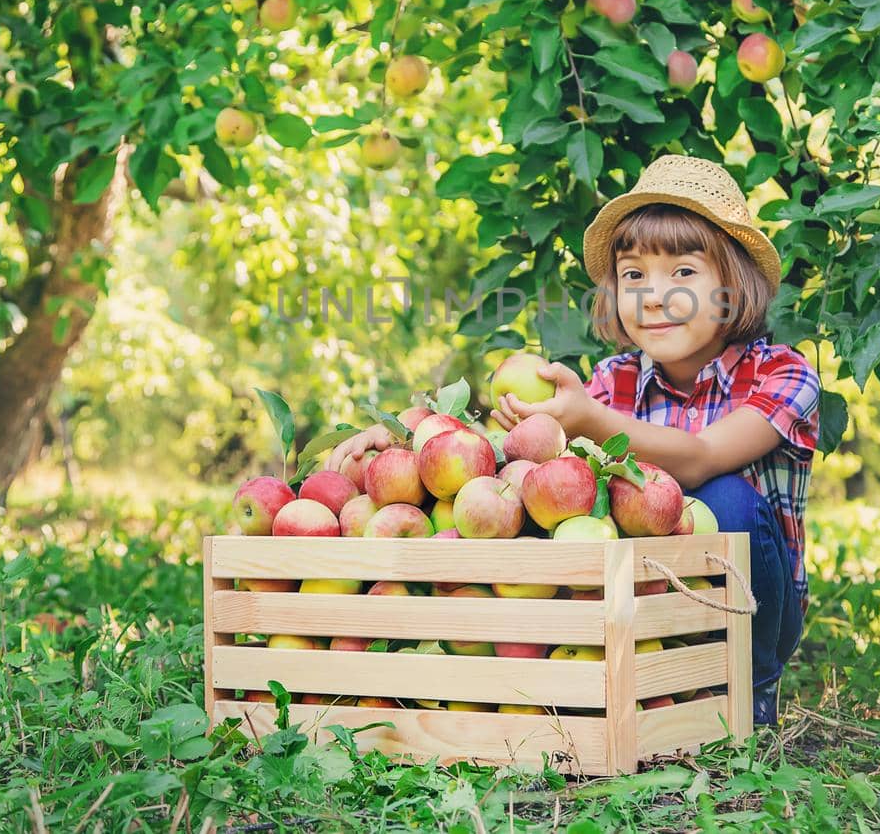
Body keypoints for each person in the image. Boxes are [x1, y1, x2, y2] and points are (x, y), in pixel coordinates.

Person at [329, 155, 822, 727]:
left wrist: (588, 419)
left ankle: (752, 690)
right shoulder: (612, 381)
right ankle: (646, 679)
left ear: (733, 287)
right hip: (650, 609)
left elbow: (702, 458)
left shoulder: (782, 374)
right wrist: (401, 437)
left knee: (726, 497)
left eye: (683, 273)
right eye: (634, 275)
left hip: (755, 609)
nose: (654, 296)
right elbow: (507, 449)